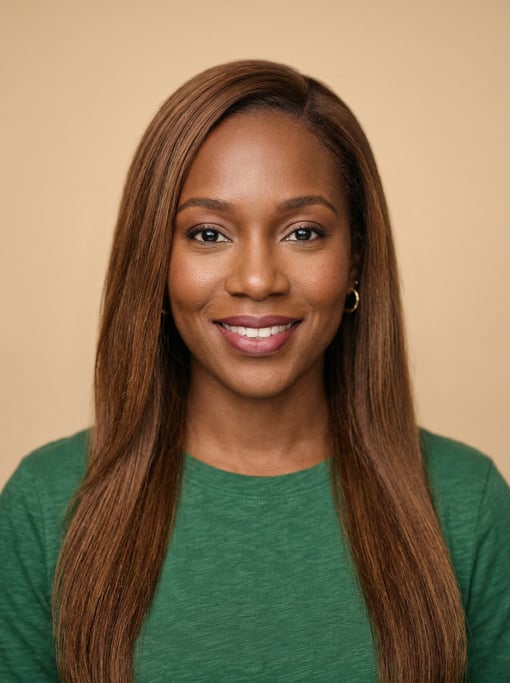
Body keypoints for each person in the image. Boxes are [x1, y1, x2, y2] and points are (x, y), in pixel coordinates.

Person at [1, 60, 509, 683]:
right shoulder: (43, 506)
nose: (257, 279)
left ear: (356, 261)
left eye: (303, 231)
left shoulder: (468, 503)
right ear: (155, 262)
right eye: (209, 233)